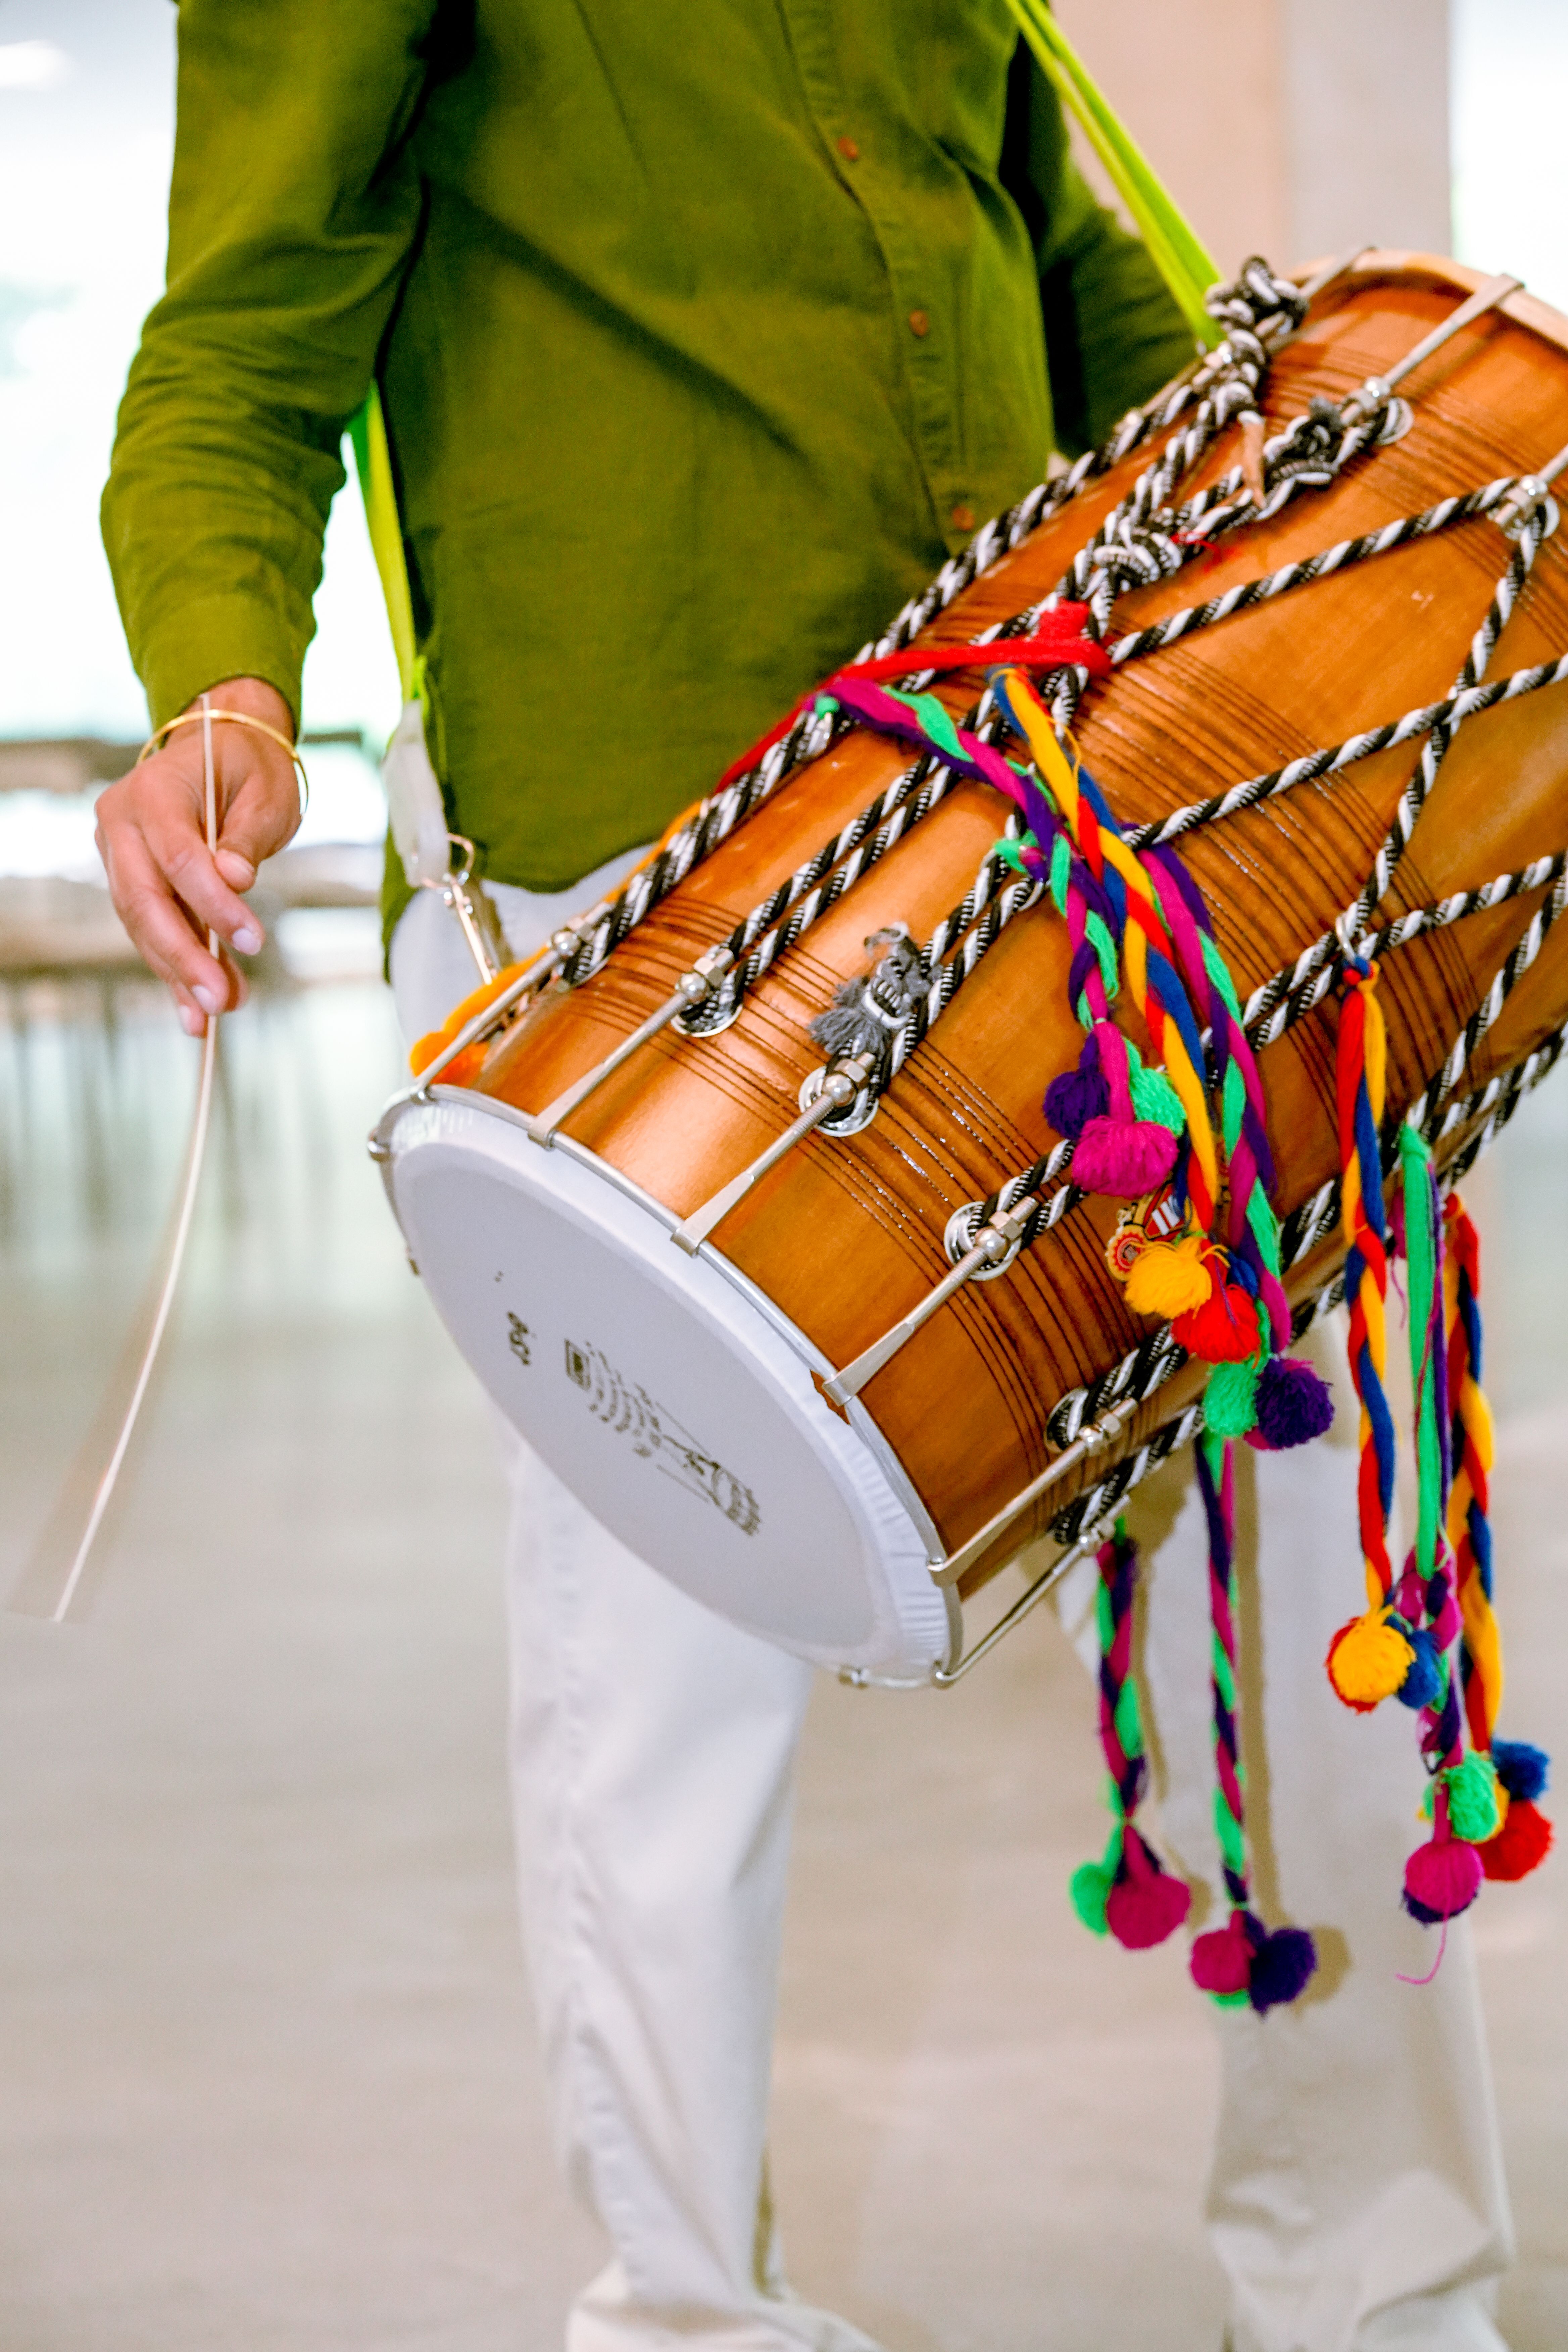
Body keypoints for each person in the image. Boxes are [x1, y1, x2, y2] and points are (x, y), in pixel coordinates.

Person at [95, 8, 1514, 2348]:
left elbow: (1100, 301)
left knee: (1303, 1558)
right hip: (656, 872)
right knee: (663, 1658)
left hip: (1056, 825)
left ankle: (1384, 2294)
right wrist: (224, 689)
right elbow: (235, 341)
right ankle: (689, 2318)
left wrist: (1308, 545)